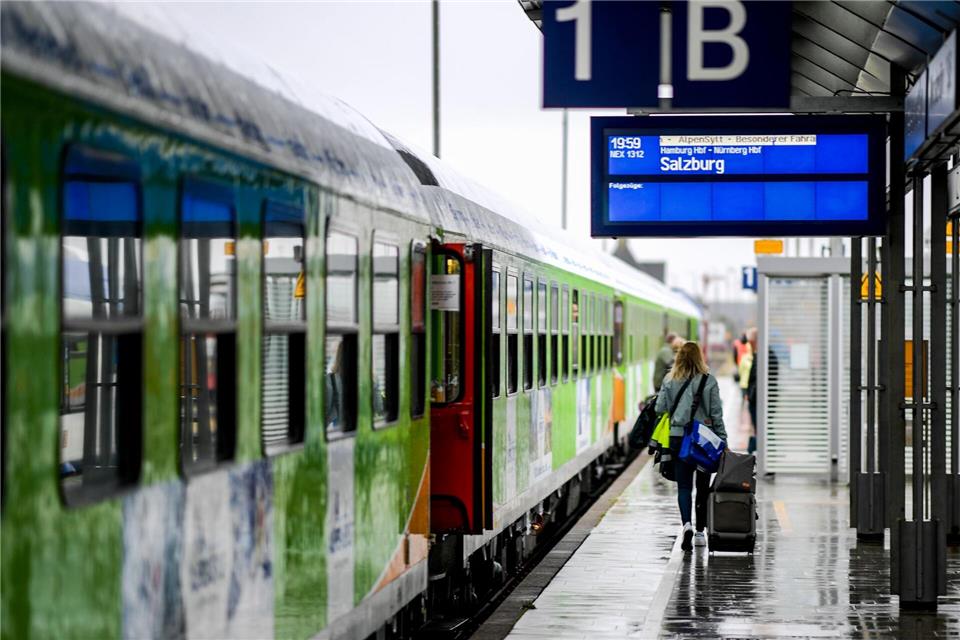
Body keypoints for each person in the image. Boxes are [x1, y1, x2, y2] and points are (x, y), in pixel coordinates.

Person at [655, 341, 726, 551]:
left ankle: (686, 524)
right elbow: (716, 414)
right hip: (703, 441)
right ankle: (700, 533)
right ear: (699, 357)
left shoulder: (670, 380)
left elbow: (660, 408)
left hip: (678, 439)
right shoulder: (709, 381)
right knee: (703, 487)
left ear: (678, 358)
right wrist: (723, 441)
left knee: (684, 486)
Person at [746, 327, 778, 455]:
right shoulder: (762, 355)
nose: (750, 345)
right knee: (762, 429)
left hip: (761, 401)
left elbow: (760, 380)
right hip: (758, 400)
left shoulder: (764, 356)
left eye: (751, 342)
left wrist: (751, 395)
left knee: (764, 429)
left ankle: (767, 456)